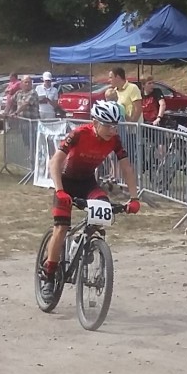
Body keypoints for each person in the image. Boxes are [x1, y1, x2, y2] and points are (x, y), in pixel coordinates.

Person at [38, 100, 140, 301]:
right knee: (61, 228)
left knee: (103, 210)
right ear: (95, 122)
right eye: (107, 125)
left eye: (115, 126)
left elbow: (126, 168)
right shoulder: (78, 134)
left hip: (87, 183)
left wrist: (134, 197)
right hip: (65, 182)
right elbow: (55, 161)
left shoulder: (114, 140)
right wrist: (59, 190)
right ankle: (49, 275)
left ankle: (82, 242)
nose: (112, 130)